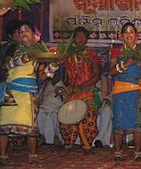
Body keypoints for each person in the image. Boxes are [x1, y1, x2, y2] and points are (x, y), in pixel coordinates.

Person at [0, 21, 53, 163]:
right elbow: (5, 66)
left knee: (30, 126)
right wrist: (21, 60)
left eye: (26, 30)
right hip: (10, 91)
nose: (23, 32)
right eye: (21, 31)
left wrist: (52, 68)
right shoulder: (12, 49)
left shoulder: (39, 52)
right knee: (3, 126)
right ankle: (2, 156)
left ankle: (33, 156)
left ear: (34, 34)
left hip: (28, 93)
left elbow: (42, 75)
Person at [109, 22, 141, 161]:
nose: (129, 34)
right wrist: (126, 64)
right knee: (119, 120)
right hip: (120, 91)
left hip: (136, 91)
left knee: (137, 122)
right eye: (126, 32)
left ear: (137, 36)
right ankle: (117, 152)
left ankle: (138, 152)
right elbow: (111, 71)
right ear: (122, 36)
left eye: (131, 32)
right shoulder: (117, 51)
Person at [60, 26, 101, 150]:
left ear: (87, 39)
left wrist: (81, 86)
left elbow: (97, 75)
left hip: (87, 92)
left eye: (83, 36)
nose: (80, 39)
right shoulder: (67, 56)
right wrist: (68, 86)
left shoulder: (91, 55)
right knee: (66, 118)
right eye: (77, 36)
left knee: (88, 119)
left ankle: (86, 145)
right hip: (72, 93)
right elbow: (64, 77)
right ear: (73, 39)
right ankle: (69, 144)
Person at [37, 67, 65, 146]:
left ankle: (56, 137)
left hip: (56, 106)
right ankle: (41, 136)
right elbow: (40, 96)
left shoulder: (61, 84)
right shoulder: (46, 84)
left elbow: (63, 92)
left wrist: (60, 91)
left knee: (56, 116)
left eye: (56, 74)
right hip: (44, 106)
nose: (55, 76)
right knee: (39, 114)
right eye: (54, 74)